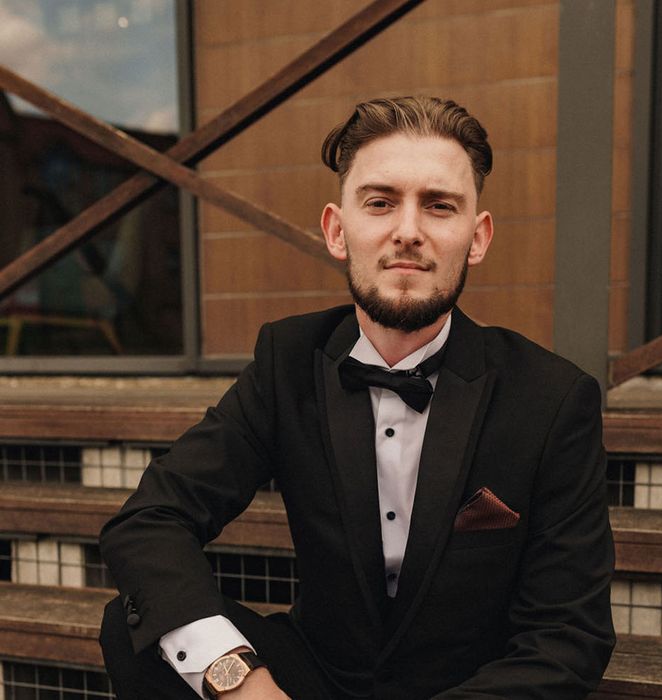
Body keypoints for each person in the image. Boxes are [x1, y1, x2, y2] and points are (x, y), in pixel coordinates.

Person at [99, 95, 615, 700]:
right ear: (337, 231)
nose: (407, 232)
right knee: (139, 626)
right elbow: (150, 521)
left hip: (470, 688)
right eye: (380, 202)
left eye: (439, 207)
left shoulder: (553, 397)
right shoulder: (287, 359)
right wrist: (240, 683)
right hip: (316, 679)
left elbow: (567, 635)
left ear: (477, 238)